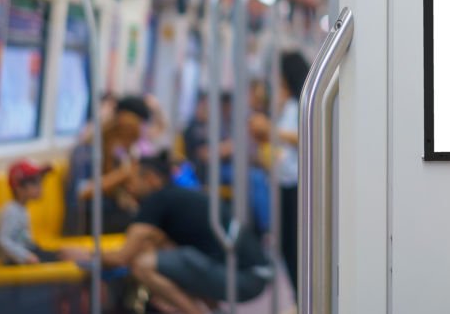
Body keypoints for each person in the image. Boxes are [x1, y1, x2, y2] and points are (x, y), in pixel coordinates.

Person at [97, 152, 270, 314]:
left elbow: (122, 258)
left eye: (131, 181)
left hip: (244, 278)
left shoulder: (157, 200)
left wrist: (86, 255)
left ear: (150, 178)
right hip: (254, 274)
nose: (128, 188)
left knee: (141, 265)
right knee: (172, 260)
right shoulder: (179, 196)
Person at [251, 51, 307, 293]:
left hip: (298, 184)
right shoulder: (284, 107)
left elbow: (305, 136)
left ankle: (303, 297)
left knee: (296, 245)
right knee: (286, 245)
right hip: (283, 181)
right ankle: (298, 296)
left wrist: (271, 130)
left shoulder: (303, 104)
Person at [64, 95, 151, 235]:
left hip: (106, 213)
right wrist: (122, 174)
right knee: (144, 225)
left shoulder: (114, 156)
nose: (128, 146)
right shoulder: (86, 152)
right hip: (86, 217)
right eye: (128, 141)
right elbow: (81, 192)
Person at [0, 160, 88, 265]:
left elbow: (25, 240)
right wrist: (25, 256)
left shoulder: (21, 209)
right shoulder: (10, 211)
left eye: (41, 181)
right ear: (19, 188)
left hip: (32, 250)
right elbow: (3, 239)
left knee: (68, 251)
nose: (41, 187)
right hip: (20, 259)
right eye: (35, 182)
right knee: (68, 255)